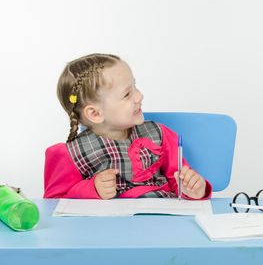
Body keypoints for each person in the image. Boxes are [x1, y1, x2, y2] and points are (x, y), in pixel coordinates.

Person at [44, 53, 211, 200]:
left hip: (161, 222)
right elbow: (54, 202)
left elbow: (180, 180)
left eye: (135, 86)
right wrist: (91, 189)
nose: (139, 96)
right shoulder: (72, 153)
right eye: (126, 94)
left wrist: (193, 188)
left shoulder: (159, 134)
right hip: (109, 231)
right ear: (95, 114)